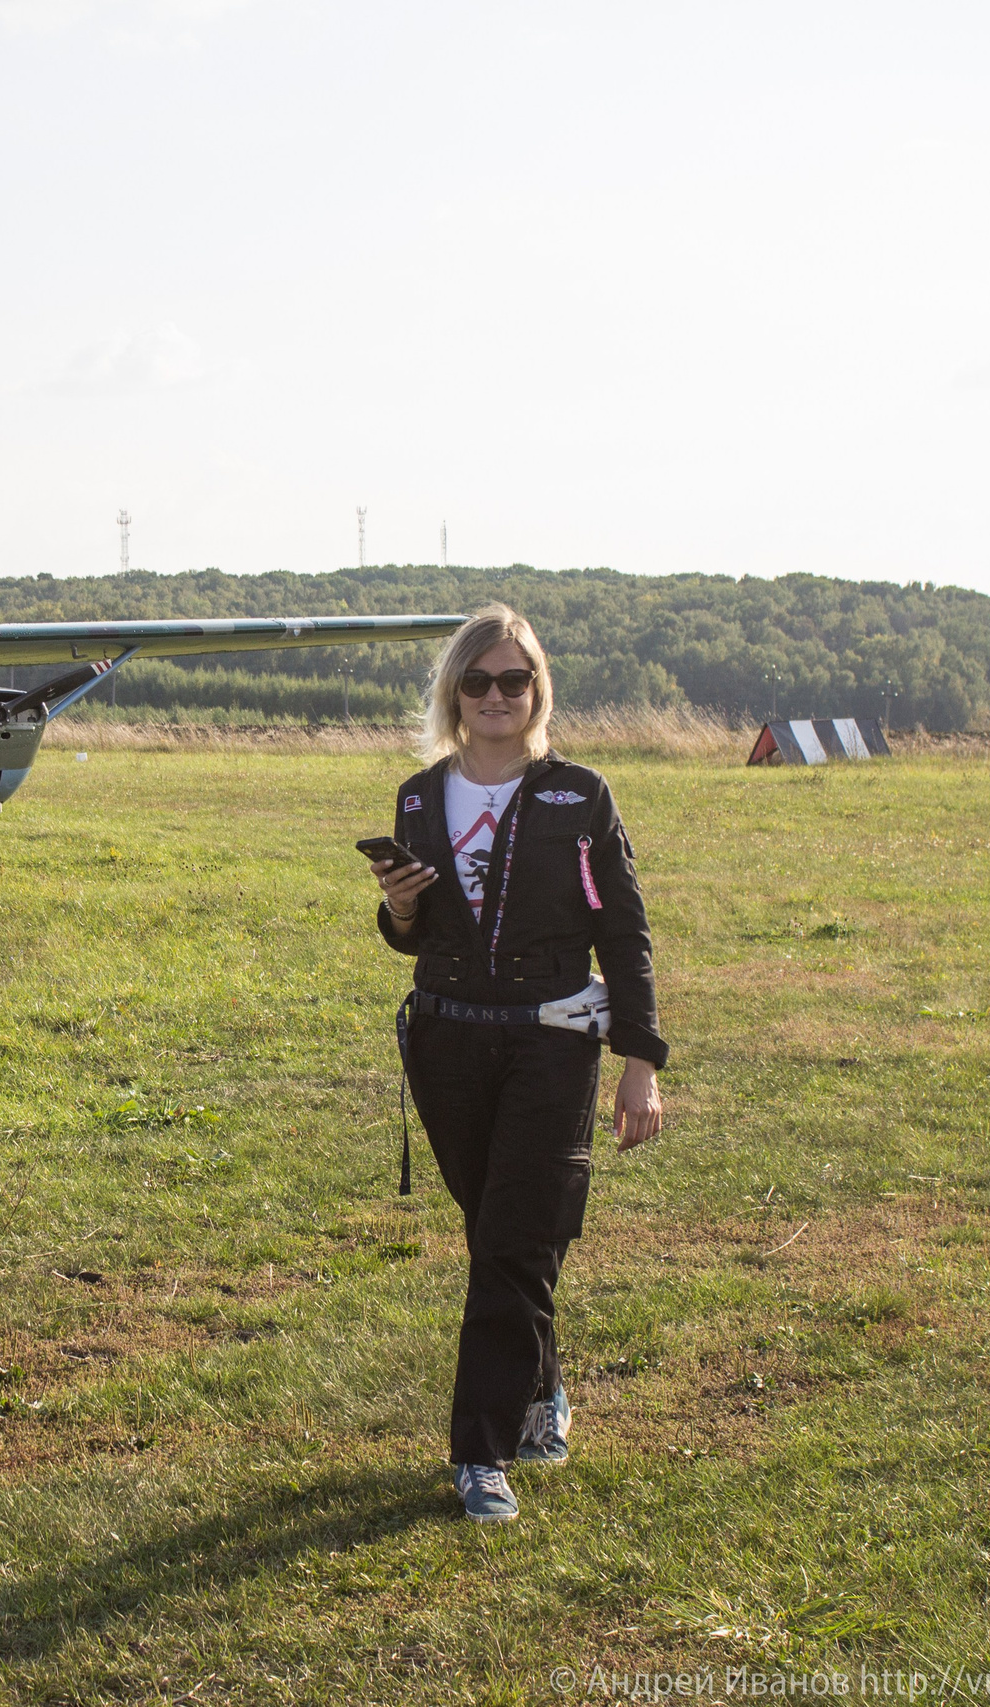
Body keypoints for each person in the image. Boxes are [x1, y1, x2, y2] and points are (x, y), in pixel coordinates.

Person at [369, 604, 668, 1523]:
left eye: (515, 680)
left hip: (553, 1038)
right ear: (454, 693)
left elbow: (624, 928)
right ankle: (541, 1389)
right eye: (478, 680)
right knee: (504, 1236)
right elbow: (408, 937)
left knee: (511, 1241)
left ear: (539, 690)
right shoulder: (421, 796)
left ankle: (481, 1453)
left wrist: (640, 1060)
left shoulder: (581, 794)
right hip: (448, 1040)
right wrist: (402, 907)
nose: (497, 696)